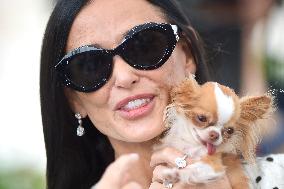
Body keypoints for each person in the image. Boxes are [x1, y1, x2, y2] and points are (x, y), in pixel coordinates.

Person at [39, 0, 241, 188]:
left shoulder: (268, 174)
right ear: (74, 99)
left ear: (186, 55)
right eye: (90, 65)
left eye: (144, 45)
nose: (124, 77)